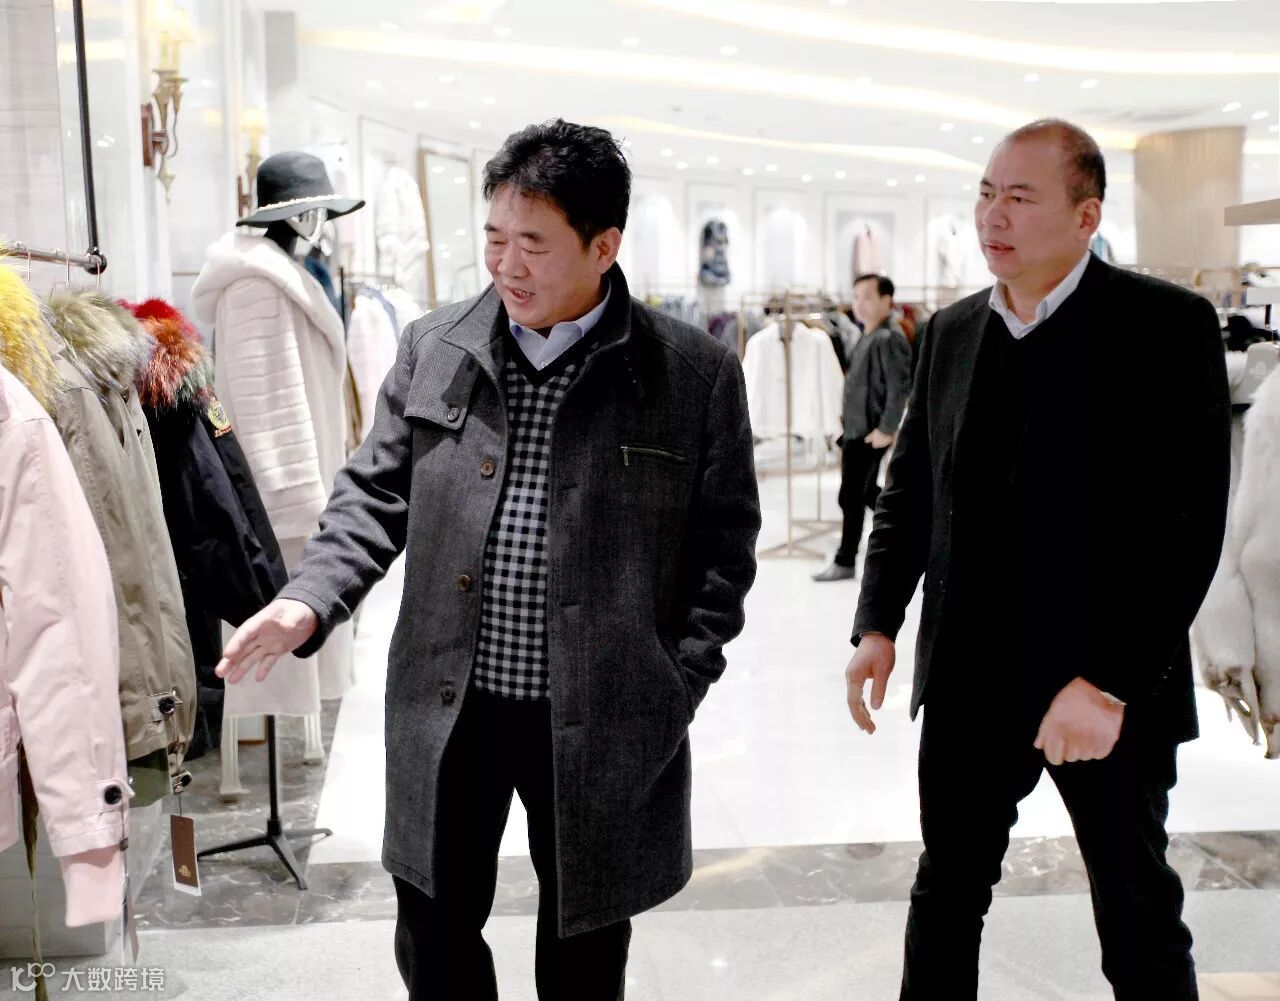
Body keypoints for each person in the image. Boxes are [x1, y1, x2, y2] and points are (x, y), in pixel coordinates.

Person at [214, 119, 761, 1001]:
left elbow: (724, 549)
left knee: (585, 943)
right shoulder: (436, 345)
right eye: (495, 238)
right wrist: (307, 598)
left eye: (534, 244)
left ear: (604, 246)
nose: (508, 265)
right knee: (434, 933)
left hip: (600, 709)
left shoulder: (689, 376)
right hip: (450, 703)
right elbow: (373, 493)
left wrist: (675, 681)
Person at [843, 119, 1229, 1000]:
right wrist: (878, 622)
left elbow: (1188, 526)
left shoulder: (1166, 325)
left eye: (1020, 197)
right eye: (986, 193)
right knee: (946, 893)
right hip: (971, 677)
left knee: (1135, 913)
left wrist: (1110, 683)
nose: (993, 216)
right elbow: (911, 491)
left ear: (1087, 216)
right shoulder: (951, 330)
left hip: (1102, 688)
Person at [813, 273, 912, 582]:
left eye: (867, 297)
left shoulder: (888, 337)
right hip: (857, 430)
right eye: (856, 297)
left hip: (870, 433)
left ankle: (845, 560)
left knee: (851, 496)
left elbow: (899, 386)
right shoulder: (867, 334)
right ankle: (911, 529)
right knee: (867, 492)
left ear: (886, 300)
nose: (859, 304)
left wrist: (887, 428)